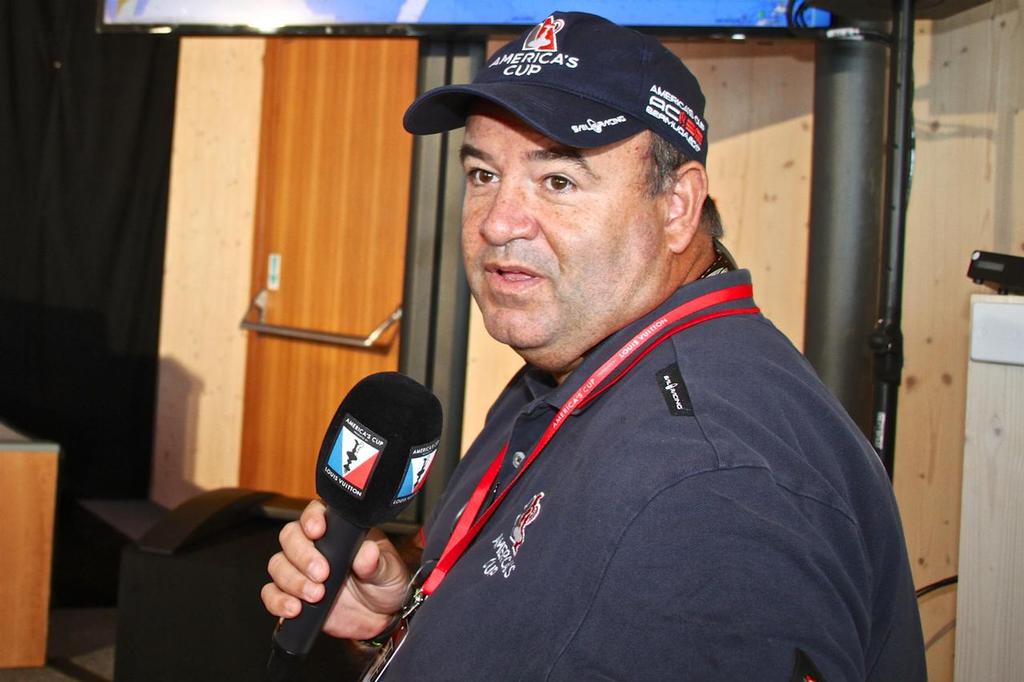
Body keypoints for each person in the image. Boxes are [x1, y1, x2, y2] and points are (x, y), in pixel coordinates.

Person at [262, 11, 926, 680]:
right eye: (483, 175)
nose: (496, 222)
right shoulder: (568, 368)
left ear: (676, 206)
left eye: (558, 181)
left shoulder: (709, 486)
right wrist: (402, 620)